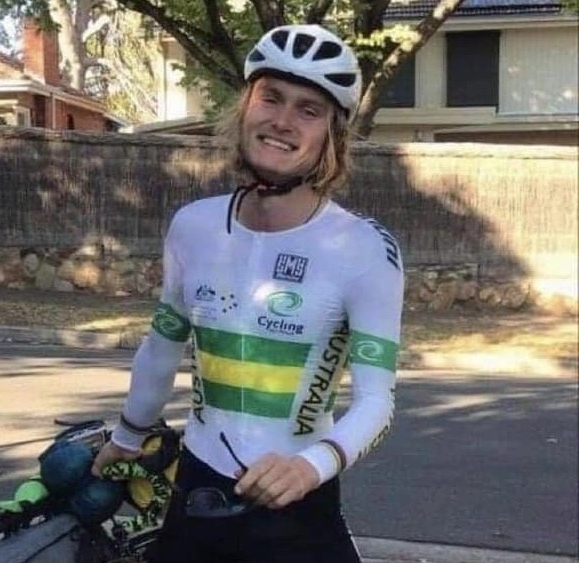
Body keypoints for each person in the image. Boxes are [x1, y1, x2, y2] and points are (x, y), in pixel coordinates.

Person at [92, 23, 404, 563]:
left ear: (333, 134)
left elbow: (378, 401)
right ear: (245, 106)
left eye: (309, 110)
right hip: (197, 487)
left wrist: (312, 465)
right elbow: (162, 349)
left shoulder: (363, 248)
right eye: (271, 97)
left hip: (297, 498)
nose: (283, 121)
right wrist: (125, 437)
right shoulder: (193, 226)